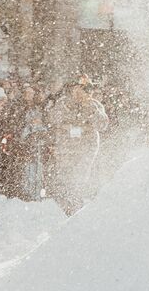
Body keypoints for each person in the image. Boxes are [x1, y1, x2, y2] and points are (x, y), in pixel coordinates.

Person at [47, 81, 110, 214]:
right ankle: (65, 205)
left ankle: (80, 205)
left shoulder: (94, 105)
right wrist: (67, 125)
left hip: (86, 147)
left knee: (81, 176)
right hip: (66, 146)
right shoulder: (63, 103)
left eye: (83, 90)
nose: (80, 92)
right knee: (65, 177)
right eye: (77, 89)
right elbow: (53, 119)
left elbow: (102, 125)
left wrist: (90, 110)